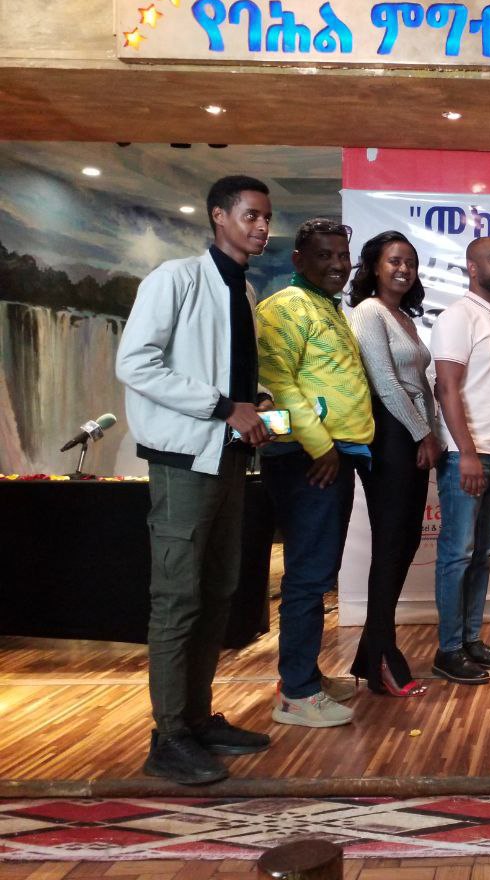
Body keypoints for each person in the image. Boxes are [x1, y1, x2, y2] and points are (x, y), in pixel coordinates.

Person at [116, 174, 274, 785]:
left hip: (227, 457)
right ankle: (168, 736)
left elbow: (224, 369)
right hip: (183, 459)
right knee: (178, 597)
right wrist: (223, 406)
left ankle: (198, 718)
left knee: (218, 590)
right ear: (218, 216)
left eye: (266, 217)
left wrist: (254, 401)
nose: (262, 226)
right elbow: (135, 362)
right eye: (250, 215)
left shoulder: (244, 290)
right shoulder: (175, 278)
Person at [257, 217, 374, 727]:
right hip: (307, 459)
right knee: (307, 577)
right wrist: (320, 446)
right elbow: (278, 383)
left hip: (333, 455)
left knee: (317, 572)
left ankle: (304, 675)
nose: (337, 265)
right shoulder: (283, 307)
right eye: (324, 256)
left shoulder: (327, 306)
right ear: (298, 260)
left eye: (342, 256)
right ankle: (296, 694)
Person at [347, 231, 442, 696]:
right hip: (390, 436)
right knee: (390, 545)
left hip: (412, 437)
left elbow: (419, 384)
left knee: (404, 542)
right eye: (394, 261)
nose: (404, 269)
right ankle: (383, 658)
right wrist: (423, 433)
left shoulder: (403, 315)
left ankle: (372, 653)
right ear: (373, 267)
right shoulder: (369, 311)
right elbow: (385, 383)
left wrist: (429, 432)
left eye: (410, 262)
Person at [430, 236, 490, 685]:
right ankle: (448, 650)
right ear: (472, 267)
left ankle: (470, 640)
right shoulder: (459, 316)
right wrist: (466, 452)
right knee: (457, 555)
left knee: (483, 555)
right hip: (466, 458)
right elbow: (446, 388)